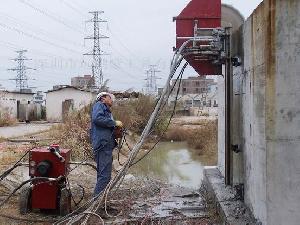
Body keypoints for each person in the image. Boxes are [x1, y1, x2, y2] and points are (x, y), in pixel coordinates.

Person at [90, 92, 123, 197]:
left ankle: (99, 201)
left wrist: (116, 130)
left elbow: (103, 124)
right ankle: (97, 203)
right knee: (104, 176)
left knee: (103, 175)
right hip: (103, 145)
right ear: (103, 98)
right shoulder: (99, 105)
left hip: (105, 145)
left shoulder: (106, 110)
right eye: (110, 97)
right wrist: (114, 123)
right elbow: (97, 119)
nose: (112, 100)